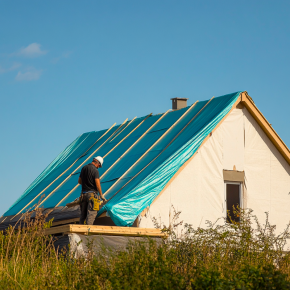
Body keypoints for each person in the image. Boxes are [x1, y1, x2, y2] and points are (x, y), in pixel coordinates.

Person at [78, 156, 107, 225]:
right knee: (91, 215)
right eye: (99, 166)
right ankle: (88, 233)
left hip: (83, 195)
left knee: (83, 216)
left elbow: (79, 181)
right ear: (98, 163)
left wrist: (86, 182)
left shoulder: (84, 168)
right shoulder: (95, 171)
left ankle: (79, 233)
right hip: (92, 195)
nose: (98, 167)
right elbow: (97, 184)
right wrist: (101, 195)